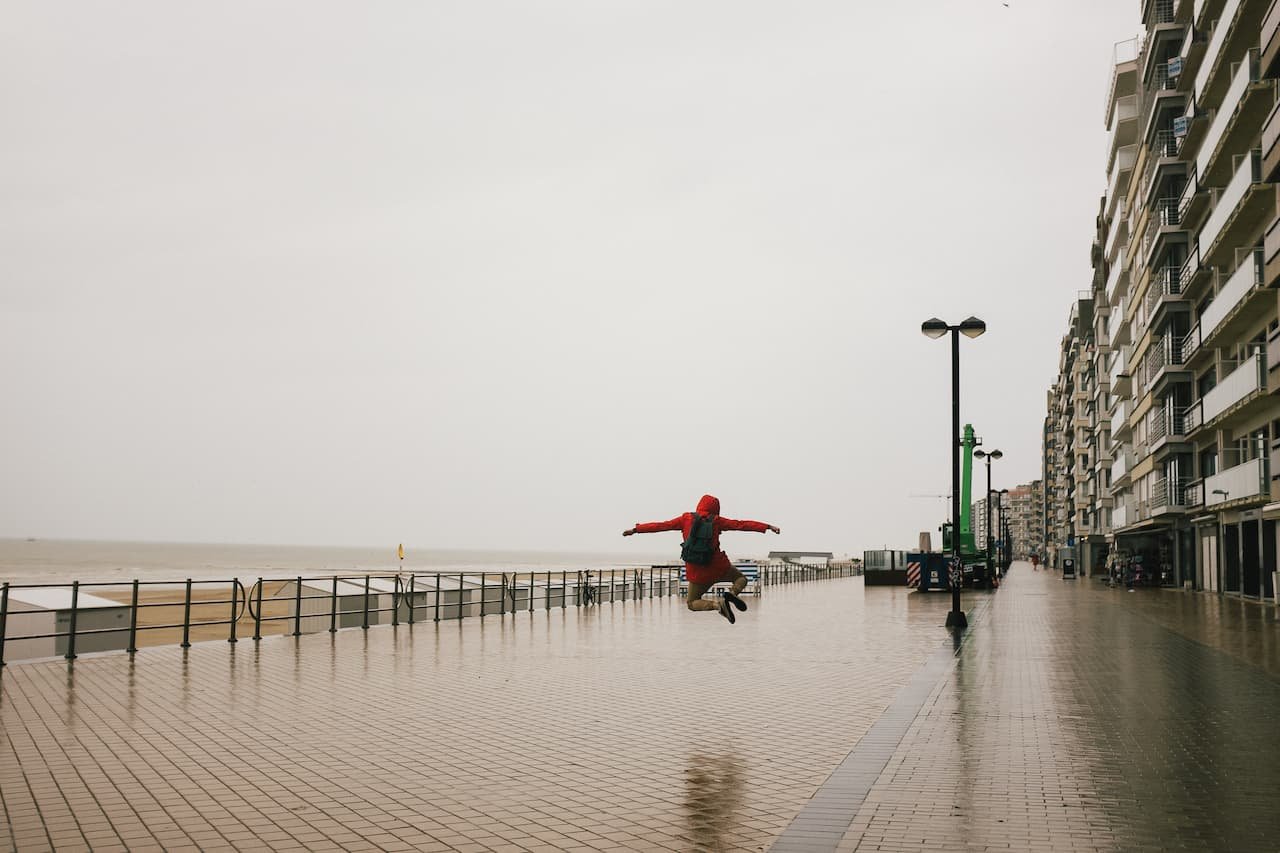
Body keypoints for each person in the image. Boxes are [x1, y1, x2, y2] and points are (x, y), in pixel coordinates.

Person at [623, 494, 780, 623]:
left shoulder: (686, 518)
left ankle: (717, 605)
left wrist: (636, 529)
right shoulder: (717, 520)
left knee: (692, 603)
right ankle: (731, 594)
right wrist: (767, 526)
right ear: (716, 510)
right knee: (741, 579)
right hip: (719, 566)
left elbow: (661, 526)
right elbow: (742, 524)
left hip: (697, 571)